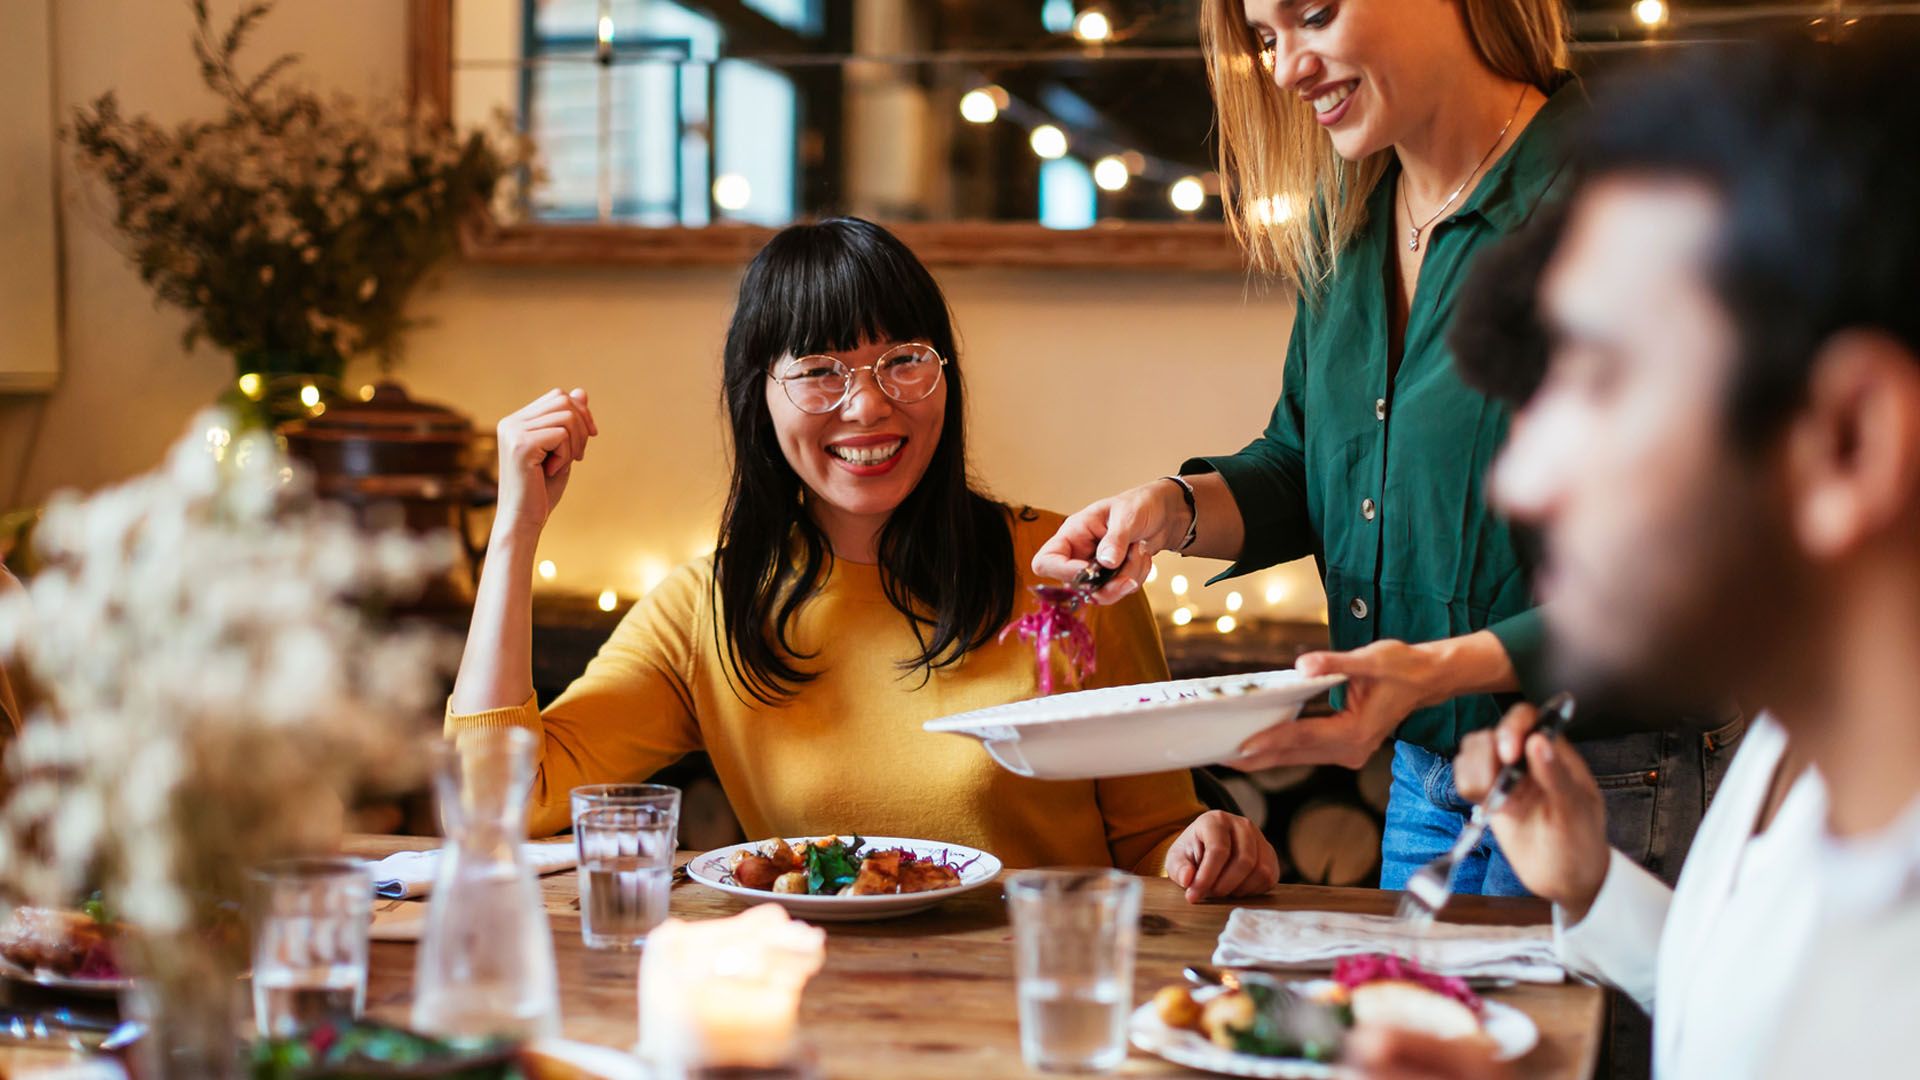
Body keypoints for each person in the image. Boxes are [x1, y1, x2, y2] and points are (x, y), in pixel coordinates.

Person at [1037, 0, 1720, 899]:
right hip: (1426, 781)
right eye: (1268, 39)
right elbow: (1304, 460)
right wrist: (1171, 509)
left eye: (1314, 16)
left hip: (1608, 778)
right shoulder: (1349, 213)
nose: (1285, 69)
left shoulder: (1618, 194)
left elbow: (1692, 570)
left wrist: (1433, 670)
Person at [1348, 36, 1920, 1080]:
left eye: (1600, 380)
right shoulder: (1796, 760)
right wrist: (1591, 885)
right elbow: (1753, 1019)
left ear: (1850, 438)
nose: (1520, 483)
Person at [446, 217, 1278, 901]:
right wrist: (519, 526)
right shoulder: (708, 607)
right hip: (810, 1010)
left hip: (1033, 1003)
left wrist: (1207, 847)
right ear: (758, 396)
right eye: (818, 372)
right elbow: (499, 803)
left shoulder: (1067, 571)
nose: (870, 405)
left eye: (903, 361)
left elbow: (1155, 840)